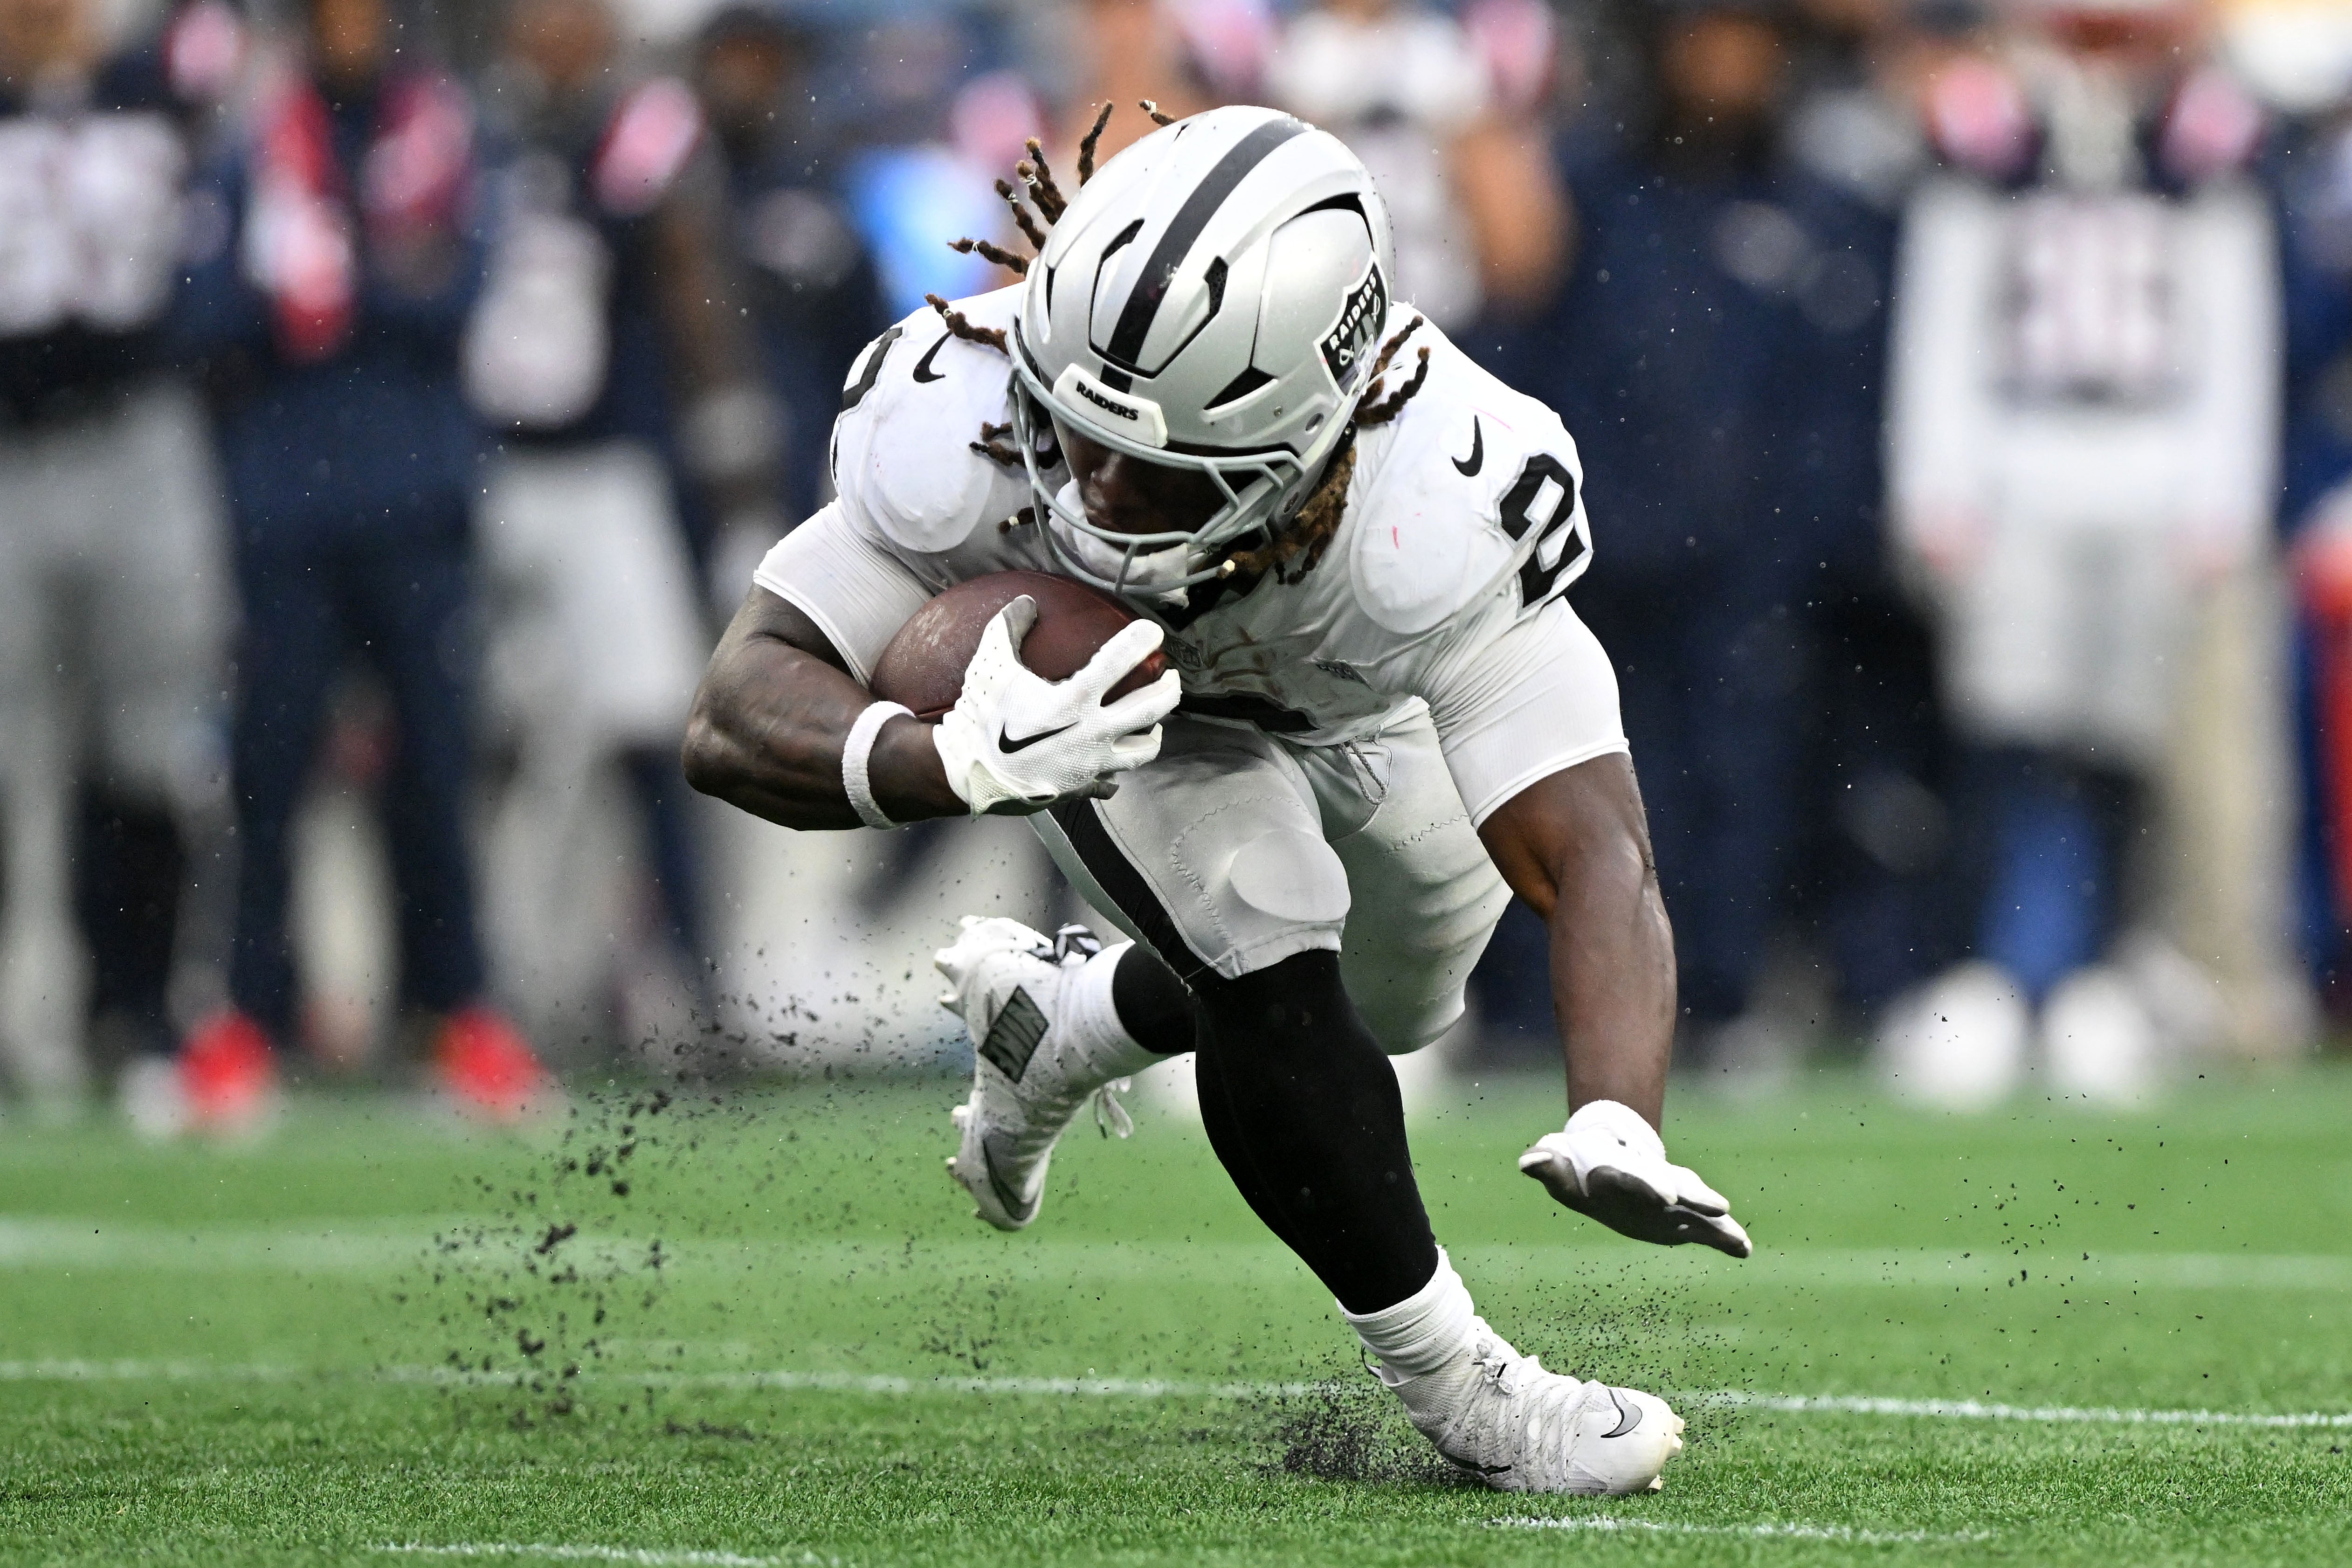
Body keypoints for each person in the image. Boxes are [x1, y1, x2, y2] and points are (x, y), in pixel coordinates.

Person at [685, 105, 1750, 1494]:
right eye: (1076, 432)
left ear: (1315, 435)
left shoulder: (1441, 501)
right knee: (1263, 927)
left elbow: (1592, 841)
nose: (1096, 491)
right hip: (1127, 715)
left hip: (1356, 701)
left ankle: (1065, 1017)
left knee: (1401, 998)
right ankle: (1463, 1386)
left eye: (1160, 466)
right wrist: (942, 760)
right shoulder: (962, 408)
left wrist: (1621, 1113)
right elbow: (736, 703)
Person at [172, 0, 550, 1130]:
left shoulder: (443, 131)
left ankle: (458, 1013)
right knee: (270, 768)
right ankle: (248, 1018)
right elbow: (203, 315)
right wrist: (349, 289)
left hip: (417, 497)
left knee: (433, 772)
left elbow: (459, 295)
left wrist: (338, 294)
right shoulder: (258, 139)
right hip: (288, 504)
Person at [466, 0, 777, 1061]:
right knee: (481, 743)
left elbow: (700, 300)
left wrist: (736, 485)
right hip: (488, 472)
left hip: (608, 476)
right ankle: (478, 993)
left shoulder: (643, 131)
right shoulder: (472, 131)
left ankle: (686, 986)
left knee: (654, 741)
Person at [0, 0, 236, 1114]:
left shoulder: (162, 82)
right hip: (8, 443)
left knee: (149, 744)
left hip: (141, 433)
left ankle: (135, 1011)